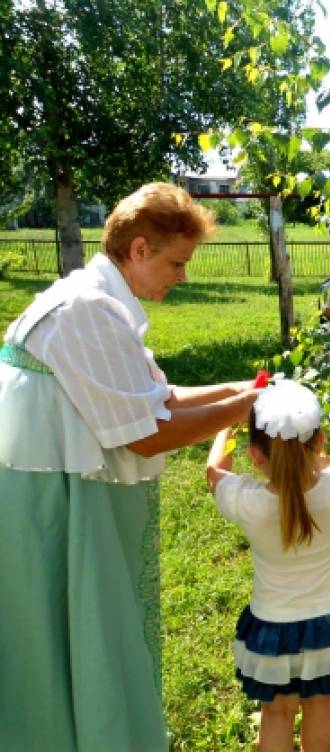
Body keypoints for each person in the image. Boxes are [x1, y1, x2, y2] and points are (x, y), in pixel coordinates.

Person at [0, 182, 262, 750]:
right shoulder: (85, 312)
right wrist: (244, 407)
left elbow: (151, 398)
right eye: (177, 262)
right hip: (55, 505)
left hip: (60, 490)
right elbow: (146, 433)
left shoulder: (95, 302)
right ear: (139, 249)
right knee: (74, 633)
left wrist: (238, 387)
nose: (183, 276)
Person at [206, 380, 330, 752]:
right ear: (318, 443)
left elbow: (214, 471)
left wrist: (228, 422)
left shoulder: (246, 502)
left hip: (274, 626)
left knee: (277, 713)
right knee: (320, 703)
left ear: (255, 456)